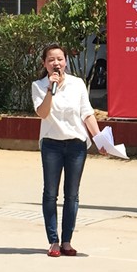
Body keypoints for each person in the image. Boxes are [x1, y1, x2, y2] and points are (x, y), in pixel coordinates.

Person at [31, 44, 106, 258]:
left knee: (72, 194)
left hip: (76, 145)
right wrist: (50, 90)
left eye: (60, 59)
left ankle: (66, 241)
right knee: (50, 193)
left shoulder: (77, 84)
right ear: (45, 63)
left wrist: (99, 139)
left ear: (65, 61)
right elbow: (43, 113)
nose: (56, 63)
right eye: (51, 60)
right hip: (51, 145)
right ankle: (53, 241)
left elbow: (87, 113)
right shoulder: (39, 86)